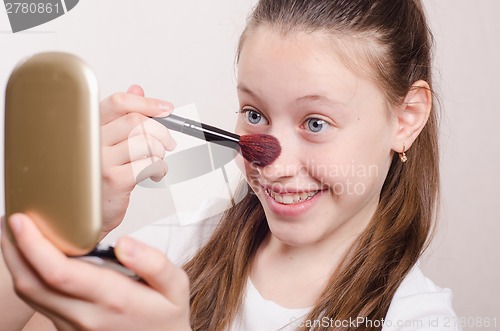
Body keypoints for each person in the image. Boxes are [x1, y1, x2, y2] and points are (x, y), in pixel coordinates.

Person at [1, 0, 461, 330]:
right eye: (255, 114)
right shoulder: (180, 248)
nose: (275, 168)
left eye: (315, 123)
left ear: (406, 119)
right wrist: (65, 223)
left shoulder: (418, 319)